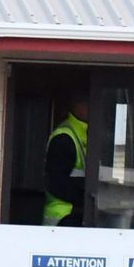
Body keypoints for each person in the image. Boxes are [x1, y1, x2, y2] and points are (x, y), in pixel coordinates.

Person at [43, 96, 89, 227]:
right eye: (89, 105)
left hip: (73, 214)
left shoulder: (84, 133)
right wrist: (86, 199)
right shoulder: (64, 137)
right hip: (63, 218)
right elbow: (56, 182)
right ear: (79, 108)